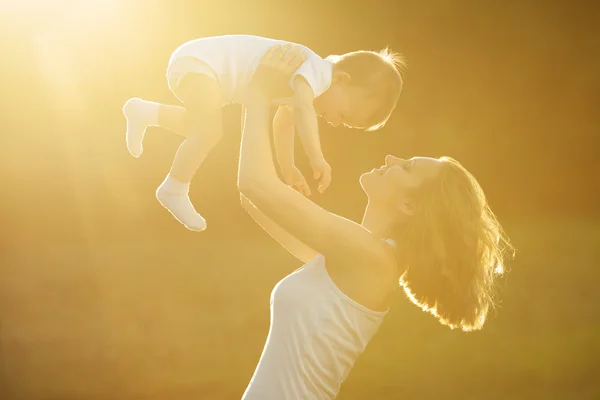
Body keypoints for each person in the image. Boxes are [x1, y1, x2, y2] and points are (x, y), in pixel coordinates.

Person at [237, 47, 514, 399]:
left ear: (410, 204)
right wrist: (282, 115)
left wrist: (257, 93)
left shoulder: (371, 261)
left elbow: (255, 184)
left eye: (408, 166)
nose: (391, 158)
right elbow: (253, 198)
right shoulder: (347, 258)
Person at [122, 35, 405, 231]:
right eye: (344, 116)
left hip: (202, 68)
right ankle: (173, 188)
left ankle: (143, 112)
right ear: (342, 80)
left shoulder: (305, 80)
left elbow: (284, 121)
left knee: (198, 127)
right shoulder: (317, 71)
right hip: (200, 63)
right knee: (209, 131)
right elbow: (303, 111)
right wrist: (317, 158)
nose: (334, 123)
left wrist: (288, 166)